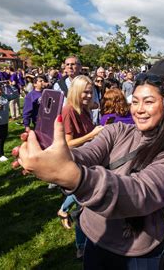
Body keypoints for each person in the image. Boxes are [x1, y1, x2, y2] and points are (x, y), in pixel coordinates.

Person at [14, 74, 164, 269]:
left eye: (149, 102)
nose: (139, 109)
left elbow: (137, 193)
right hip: (94, 236)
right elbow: (86, 154)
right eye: (135, 101)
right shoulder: (118, 130)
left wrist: (75, 177)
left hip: (136, 252)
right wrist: (51, 155)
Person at [57, 75, 104, 258]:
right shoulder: (68, 110)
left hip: (87, 161)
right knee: (82, 206)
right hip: (76, 162)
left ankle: (82, 243)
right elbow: (67, 144)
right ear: (76, 91)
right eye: (85, 92)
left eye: (90, 92)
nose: (88, 95)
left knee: (85, 205)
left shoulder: (82, 109)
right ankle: (81, 245)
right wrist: (92, 134)